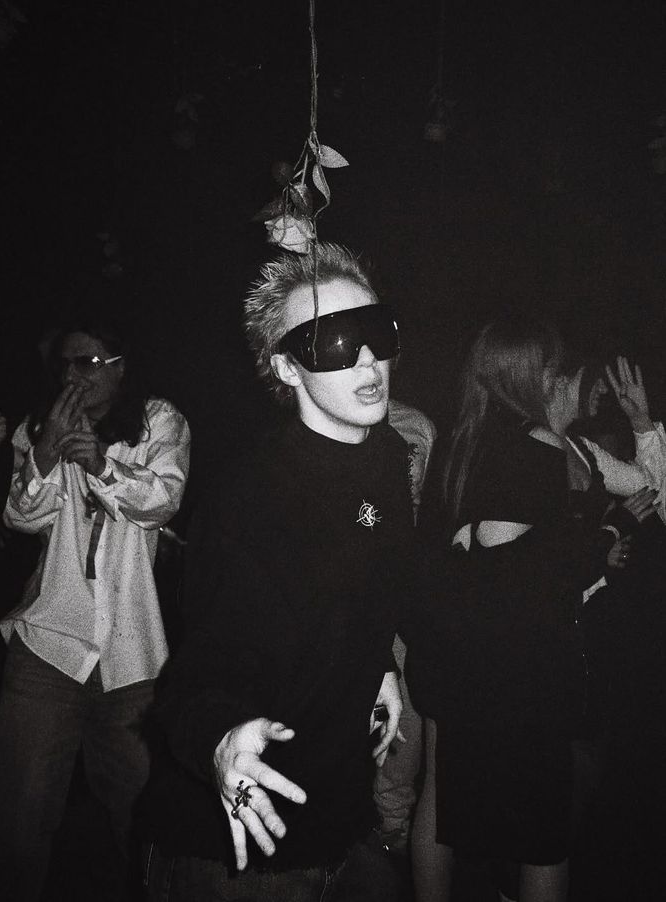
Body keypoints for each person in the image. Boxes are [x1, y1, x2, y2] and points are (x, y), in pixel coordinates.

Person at [138, 242, 416, 901]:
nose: (366, 359)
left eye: (375, 333)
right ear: (287, 368)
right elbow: (205, 665)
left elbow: (360, 585)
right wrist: (220, 740)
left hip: (340, 821)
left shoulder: (386, 456)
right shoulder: (249, 500)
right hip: (238, 850)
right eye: (333, 342)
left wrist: (379, 664)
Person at [405, 316, 657, 902]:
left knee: (442, 800)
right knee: (543, 829)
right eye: (551, 367)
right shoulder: (535, 444)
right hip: (515, 663)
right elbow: (524, 580)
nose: (560, 378)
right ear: (527, 374)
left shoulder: (465, 442)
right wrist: (604, 535)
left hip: (450, 649)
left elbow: (488, 558)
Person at [0, 310, 191, 902]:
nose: (77, 374)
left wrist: (100, 462)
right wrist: (46, 450)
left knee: (142, 819)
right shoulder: (38, 428)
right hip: (48, 646)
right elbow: (21, 515)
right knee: (18, 814)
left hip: (132, 656)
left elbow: (162, 500)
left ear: (122, 367)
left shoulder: (159, 421)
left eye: (92, 360)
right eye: (69, 363)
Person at [373, 399, 435, 855]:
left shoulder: (417, 425)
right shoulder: (316, 415)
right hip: (339, 588)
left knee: (404, 714)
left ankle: (391, 829)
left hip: (401, 592)